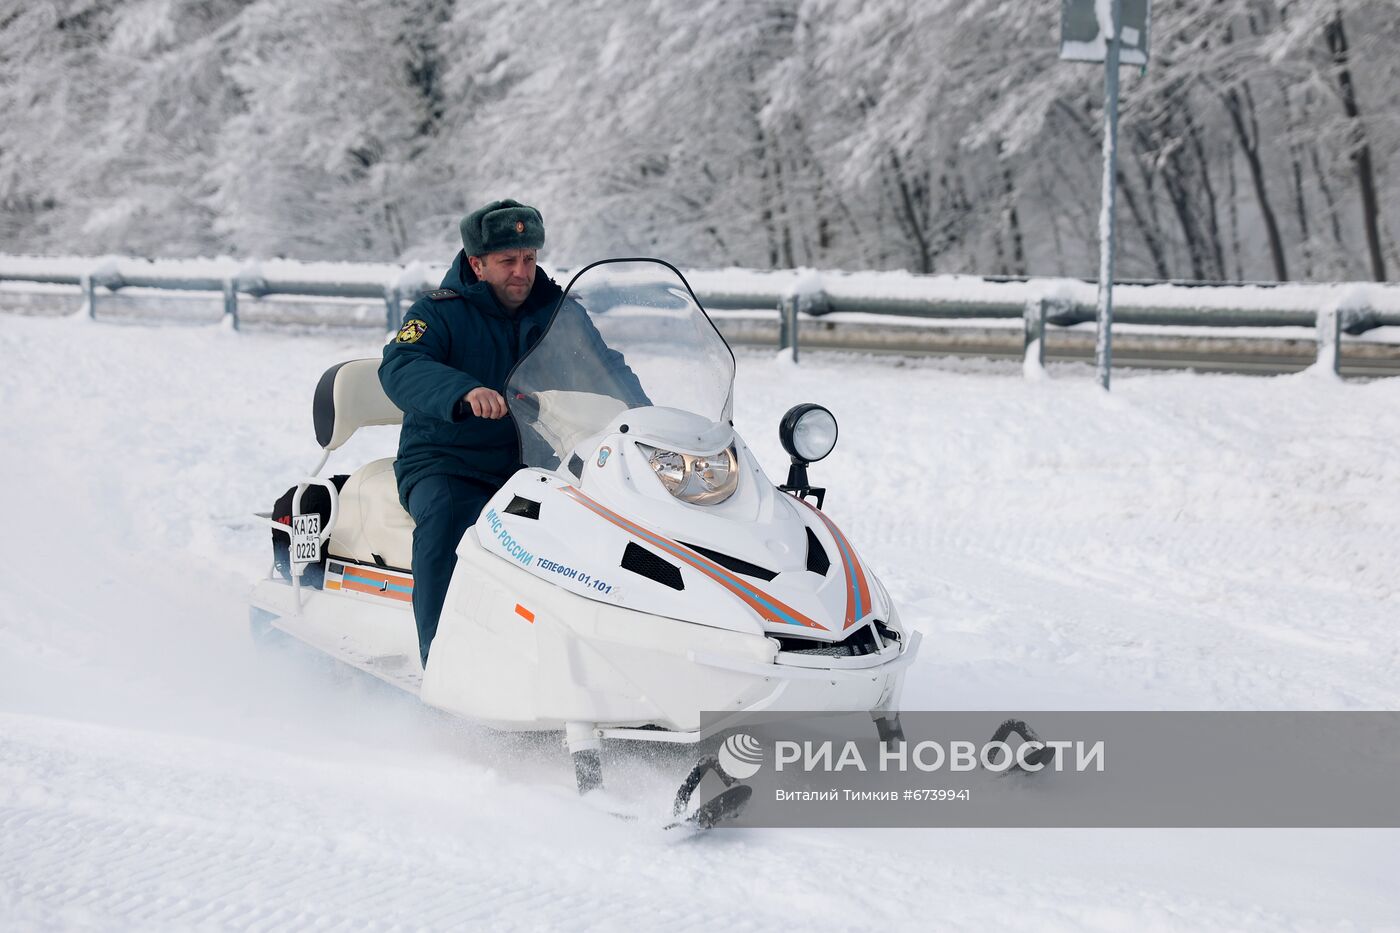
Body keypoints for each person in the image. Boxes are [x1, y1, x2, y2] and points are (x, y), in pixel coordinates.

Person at [378, 198, 641, 667]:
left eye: (529, 258)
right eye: (507, 261)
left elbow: (606, 368)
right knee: (446, 523)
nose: (522, 272)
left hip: (539, 464)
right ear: (477, 264)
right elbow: (401, 365)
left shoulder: (560, 313)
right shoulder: (438, 312)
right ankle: (442, 663)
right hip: (448, 462)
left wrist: (646, 418)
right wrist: (463, 390)